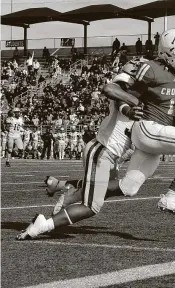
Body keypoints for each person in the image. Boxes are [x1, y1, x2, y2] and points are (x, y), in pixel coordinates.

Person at [16, 29, 175, 240]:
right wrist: (131, 104)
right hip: (117, 142)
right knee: (93, 204)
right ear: (168, 53)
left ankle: (63, 187)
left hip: (124, 146)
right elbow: (113, 90)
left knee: (128, 187)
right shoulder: (145, 69)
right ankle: (45, 223)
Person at [16, 58, 146, 239]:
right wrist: (134, 107)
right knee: (93, 203)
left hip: (111, 153)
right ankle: (48, 219)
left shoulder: (139, 94)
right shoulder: (124, 91)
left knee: (113, 188)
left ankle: (59, 185)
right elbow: (114, 95)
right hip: (103, 150)